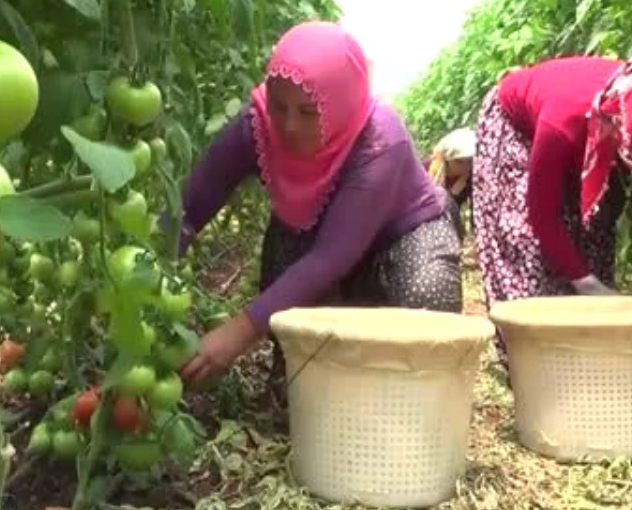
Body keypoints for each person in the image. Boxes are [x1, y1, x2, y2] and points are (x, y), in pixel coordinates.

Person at [174, 21, 464, 388]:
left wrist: (239, 332)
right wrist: (145, 282)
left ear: (340, 102)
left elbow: (329, 258)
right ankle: (300, 386)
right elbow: (191, 209)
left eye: (308, 112)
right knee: (288, 262)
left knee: (427, 304)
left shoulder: (379, 142)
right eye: (279, 105)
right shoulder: (258, 126)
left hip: (402, 235)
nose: (289, 125)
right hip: (320, 233)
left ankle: (417, 394)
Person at [471, 53, 632, 361]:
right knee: (526, 246)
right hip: (520, 127)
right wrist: (587, 283)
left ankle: (588, 352)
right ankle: (531, 359)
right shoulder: (566, 118)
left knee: (593, 234)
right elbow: (541, 213)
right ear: (629, 133)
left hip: (580, 130)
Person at [424, 128, 476, 239]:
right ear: (447, 160)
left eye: (470, 161)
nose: (466, 166)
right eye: (459, 161)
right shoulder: (426, 171)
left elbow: (475, 212)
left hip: (451, 227)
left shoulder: (471, 178)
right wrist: (452, 194)